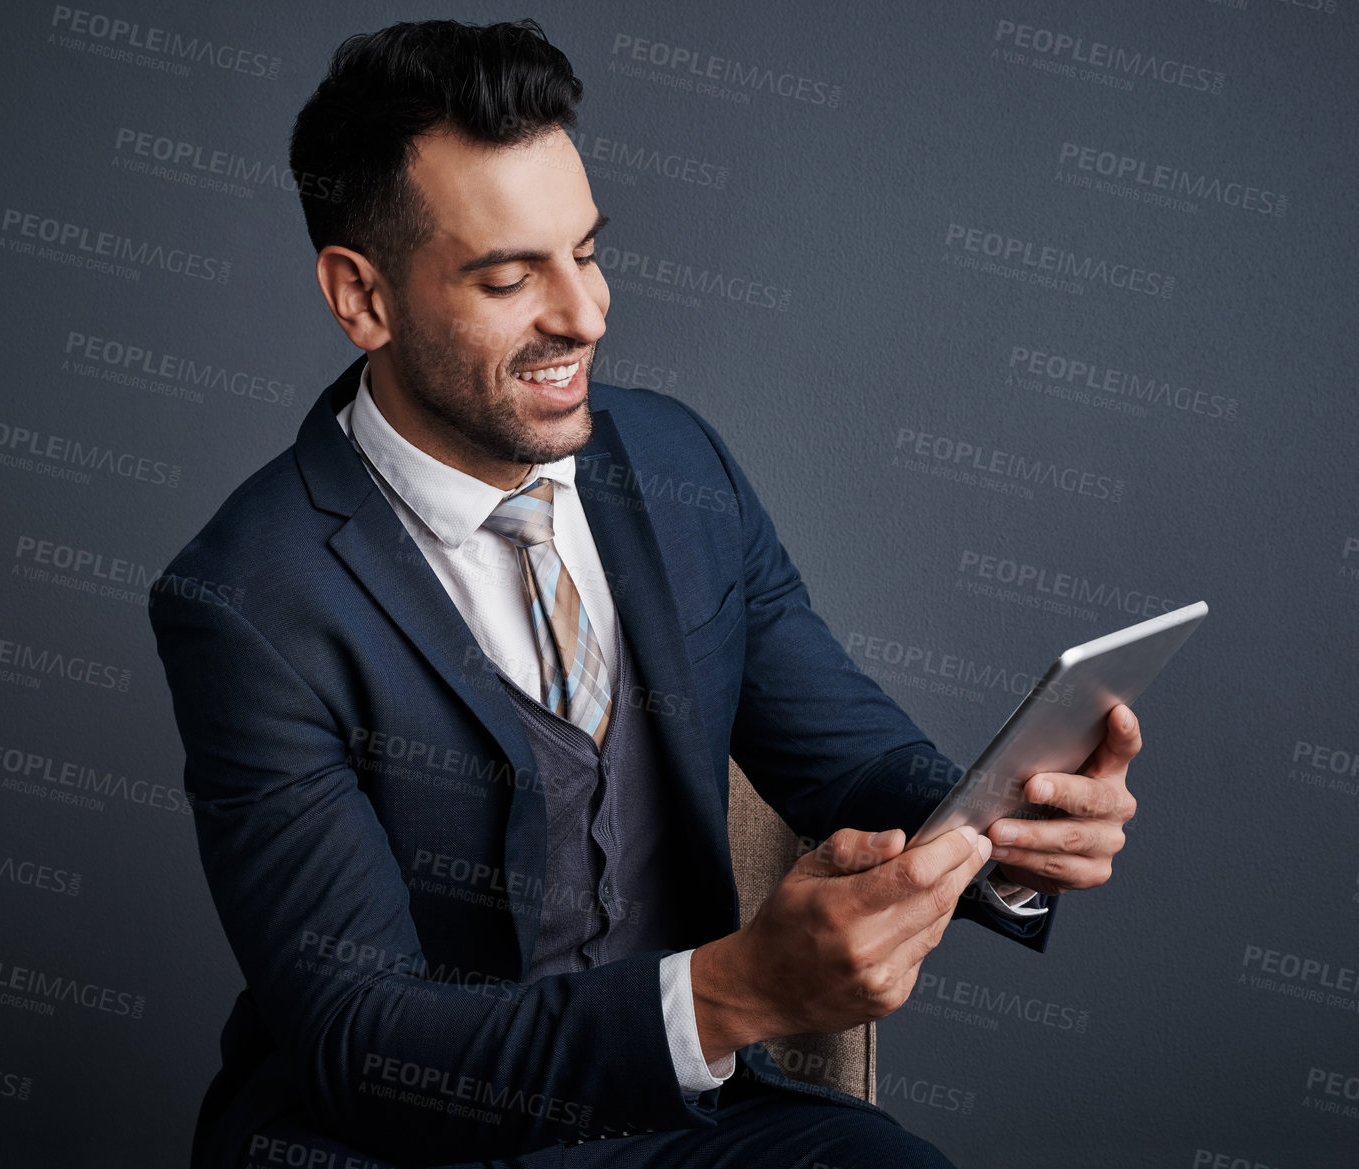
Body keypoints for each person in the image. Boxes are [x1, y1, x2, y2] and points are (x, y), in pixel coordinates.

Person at [148, 19, 1140, 1169]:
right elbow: (361, 1043)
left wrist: (1009, 825)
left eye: (586, 250)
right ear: (360, 297)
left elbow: (855, 761)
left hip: (673, 1126)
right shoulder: (244, 600)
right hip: (398, 1140)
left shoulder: (679, 470)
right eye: (510, 276)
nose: (584, 314)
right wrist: (723, 995)